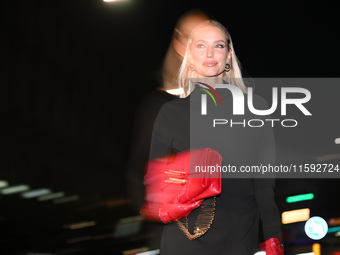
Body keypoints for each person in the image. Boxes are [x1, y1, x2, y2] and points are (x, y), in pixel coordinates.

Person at [147, 20, 283, 255]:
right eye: (201, 46)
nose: (210, 53)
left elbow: (263, 185)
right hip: (185, 239)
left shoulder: (255, 109)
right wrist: (162, 210)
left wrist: (273, 236)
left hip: (239, 238)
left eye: (218, 46)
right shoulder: (170, 114)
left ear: (229, 55)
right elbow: (153, 180)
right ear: (189, 55)